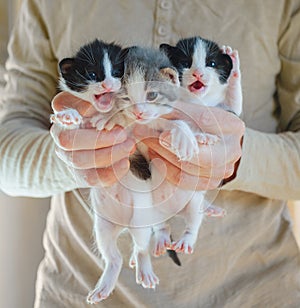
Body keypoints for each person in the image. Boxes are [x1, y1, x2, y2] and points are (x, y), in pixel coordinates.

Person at [0, 0, 299, 307]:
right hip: (76, 291)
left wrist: (237, 158)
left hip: (256, 292)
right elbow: (5, 150)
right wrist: (76, 155)